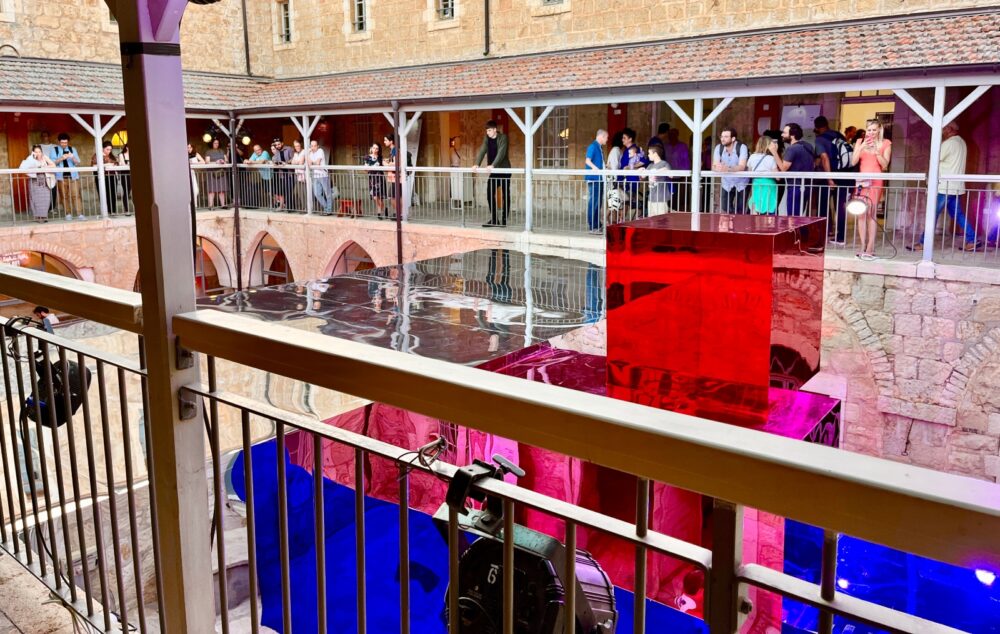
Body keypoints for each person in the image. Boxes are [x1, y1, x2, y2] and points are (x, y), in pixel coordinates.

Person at [911, 122, 980, 252]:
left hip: (943, 186)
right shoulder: (961, 143)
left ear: (949, 129)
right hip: (955, 186)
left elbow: (934, 159)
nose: (942, 131)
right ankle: (973, 239)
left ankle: (923, 243)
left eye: (943, 128)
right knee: (958, 214)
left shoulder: (948, 144)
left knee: (932, 214)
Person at [849, 119, 891, 260]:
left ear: (879, 130)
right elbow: (853, 162)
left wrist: (876, 152)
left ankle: (870, 247)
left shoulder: (885, 143)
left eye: (874, 130)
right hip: (861, 181)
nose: (871, 132)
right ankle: (862, 245)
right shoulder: (860, 142)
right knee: (861, 213)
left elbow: (885, 166)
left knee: (871, 213)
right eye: (869, 130)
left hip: (875, 180)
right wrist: (861, 148)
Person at [814, 116, 851, 244]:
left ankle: (824, 233)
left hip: (830, 175)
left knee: (823, 204)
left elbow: (824, 158)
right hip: (845, 174)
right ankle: (841, 237)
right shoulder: (839, 135)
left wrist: (829, 178)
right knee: (841, 206)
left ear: (817, 128)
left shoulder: (819, 139)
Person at [472, 120, 511, 227]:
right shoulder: (487, 139)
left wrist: (493, 165)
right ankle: (494, 220)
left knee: (505, 195)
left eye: (489, 130)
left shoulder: (503, 138)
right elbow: (482, 150)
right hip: (494, 172)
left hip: (504, 170)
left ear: (495, 130)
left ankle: (503, 220)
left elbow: (501, 153)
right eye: (487, 131)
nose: (488, 132)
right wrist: (476, 164)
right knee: (490, 194)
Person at [775, 123, 815, 217]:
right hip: (806, 185)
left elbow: (783, 168)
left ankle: (795, 232)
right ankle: (801, 231)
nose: (782, 135)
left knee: (793, 216)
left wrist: (774, 152)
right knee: (800, 215)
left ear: (792, 135)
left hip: (795, 186)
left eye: (784, 133)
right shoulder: (808, 146)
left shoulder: (792, 149)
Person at [712, 127, 749, 213]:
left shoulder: (742, 147)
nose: (722, 139)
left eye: (726, 136)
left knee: (741, 209)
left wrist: (728, 169)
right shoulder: (719, 148)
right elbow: (714, 165)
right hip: (727, 182)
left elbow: (742, 166)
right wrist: (718, 168)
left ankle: (738, 225)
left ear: (733, 139)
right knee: (726, 208)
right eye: (722, 136)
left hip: (742, 183)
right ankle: (731, 224)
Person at [19, 146, 56, 222]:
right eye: (36, 152)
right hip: (34, 181)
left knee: (45, 199)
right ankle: (38, 217)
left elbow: (53, 165)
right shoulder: (30, 159)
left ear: (41, 152)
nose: (38, 153)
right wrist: (32, 158)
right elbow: (24, 167)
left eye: (39, 151)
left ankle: (44, 216)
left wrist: (43, 167)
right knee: (35, 199)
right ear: (33, 152)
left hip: (44, 181)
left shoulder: (44, 157)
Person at [50, 133, 82, 219]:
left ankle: (80, 214)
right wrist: (62, 158)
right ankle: (68, 214)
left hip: (73, 176)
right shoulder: (55, 150)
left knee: (76, 195)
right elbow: (52, 163)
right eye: (62, 142)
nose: (64, 144)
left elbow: (77, 162)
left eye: (66, 142)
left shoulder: (72, 149)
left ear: (68, 142)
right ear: (59, 142)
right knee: (64, 196)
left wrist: (72, 157)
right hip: (61, 177)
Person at [747, 136, 779, 214]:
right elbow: (778, 177)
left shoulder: (752, 157)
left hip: (756, 184)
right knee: (769, 208)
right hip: (769, 186)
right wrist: (776, 152)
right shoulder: (771, 158)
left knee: (756, 206)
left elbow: (749, 172)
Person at [584, 129, 607, 233]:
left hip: (599, 178)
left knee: (598, 202)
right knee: (594, 202)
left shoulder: (599, 147)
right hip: (594, 179)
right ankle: (593, 226)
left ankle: (597, 224)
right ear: (601, 136)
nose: (607, 140)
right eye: (606, 137)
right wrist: (596, 169)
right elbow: (587, 160)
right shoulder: (593, 146)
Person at [663, 127, 691, 211]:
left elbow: (686, 161)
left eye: (674, 134)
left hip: (679, 177)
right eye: (670, 135)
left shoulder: (682, 146)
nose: (672, 136)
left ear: (677, 135)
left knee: (678, 197)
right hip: (667, 176)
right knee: (668, 196)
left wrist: (685, 174)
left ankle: (677, 213)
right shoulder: (665, 146)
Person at [642, 144, 672, 216]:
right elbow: (642, 176)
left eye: (649, 153)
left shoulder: (664, 163)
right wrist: (640, 170)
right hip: (651, 198)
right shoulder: (650, 165)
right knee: (651, 221)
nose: (648, 155)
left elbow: (671, 175)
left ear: (655, 154)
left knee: (661, 221)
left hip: (660, 198)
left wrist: (660, 170)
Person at [91, 141, 119, 215]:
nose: (109, 151)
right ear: (103, 148)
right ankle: (106, 211)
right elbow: (93, 166)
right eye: (107, 149)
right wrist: (106, 165)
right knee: (104, 194)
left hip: (112, 177)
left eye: (110, 149)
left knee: (113, 193)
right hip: (102, 177)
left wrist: (114, 165)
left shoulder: (112, 156)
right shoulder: (97, 156)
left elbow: (116, 163)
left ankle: (113, 210)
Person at [307, 139, 333, 215]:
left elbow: (318, 163)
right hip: (315, 176)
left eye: (315, 145)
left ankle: (329, 210)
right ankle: (326, 207)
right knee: (317, 194)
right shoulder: (310, 153)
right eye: (311, 146)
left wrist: (312, 163)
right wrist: (308, 154)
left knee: (327, 193)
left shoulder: (320, 151)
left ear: (317, 146)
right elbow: (309, 164)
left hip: (323, 175)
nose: (313, 147)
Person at [364, 143, 388, 219]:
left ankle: (379, 213)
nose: (375, 150)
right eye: (374, 148)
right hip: (372, 179)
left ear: (378, 150)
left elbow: (384, 166)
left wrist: (387, 163)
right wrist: (373, 167)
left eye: (377, 148)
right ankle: (384, 209)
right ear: (371, 148)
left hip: (380, 178)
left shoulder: (380, 157)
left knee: (380, 197)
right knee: (375, 197)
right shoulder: (367, 157)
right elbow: (365, 169)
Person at [245, 143, 272, 208]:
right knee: (267, 191)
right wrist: (247, 161)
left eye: (259, 149)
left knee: (272, 192)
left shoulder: (265, 152)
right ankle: (273, 204)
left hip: (270, 176)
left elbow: (261, 161)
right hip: (262, 176)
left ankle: (278, 204)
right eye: (256, 150)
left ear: (261, 149)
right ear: (254, 151)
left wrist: (251, 162)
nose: (258, 151)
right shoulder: (254, 154)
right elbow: (249, 161)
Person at [271, 137, 294, 210]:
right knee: (284, 191)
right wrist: (275, 163)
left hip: (290, 174)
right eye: (276, 145)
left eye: (278, 144)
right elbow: (276, 160)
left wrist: (286, 163)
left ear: (282, 143)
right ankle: (287, 207)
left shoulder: (289, 149)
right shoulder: (277, 152)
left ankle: (290, 208)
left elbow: (293, 159)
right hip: (282, 175)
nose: (277, 146)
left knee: (289, 191)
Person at [39, 132, 57, 213]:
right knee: (43, 190)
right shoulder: (39, 147)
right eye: (43, 136)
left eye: (46, 136)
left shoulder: (54, 146)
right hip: (42, 171)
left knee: (53, 188)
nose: (44, 137)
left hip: (52, 170)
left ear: (49, 137)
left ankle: (52, 208)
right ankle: (44, 208)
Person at [448, 136, 464, 210]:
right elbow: (449, 160)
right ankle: (454, 201)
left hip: (460, 169)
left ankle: (460, 201)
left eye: (458, 141)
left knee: (460, 185)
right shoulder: (451, 150)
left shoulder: (462, 150)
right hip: (453, 169)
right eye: (456, 141)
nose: (457, 143)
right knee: (453, 185)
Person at [117, 144, 132, 214]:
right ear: (127, 147)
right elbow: (123, 165)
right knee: (126, 191)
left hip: (132, 175)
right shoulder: (121, 155)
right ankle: (126, 210)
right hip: (125, 175)